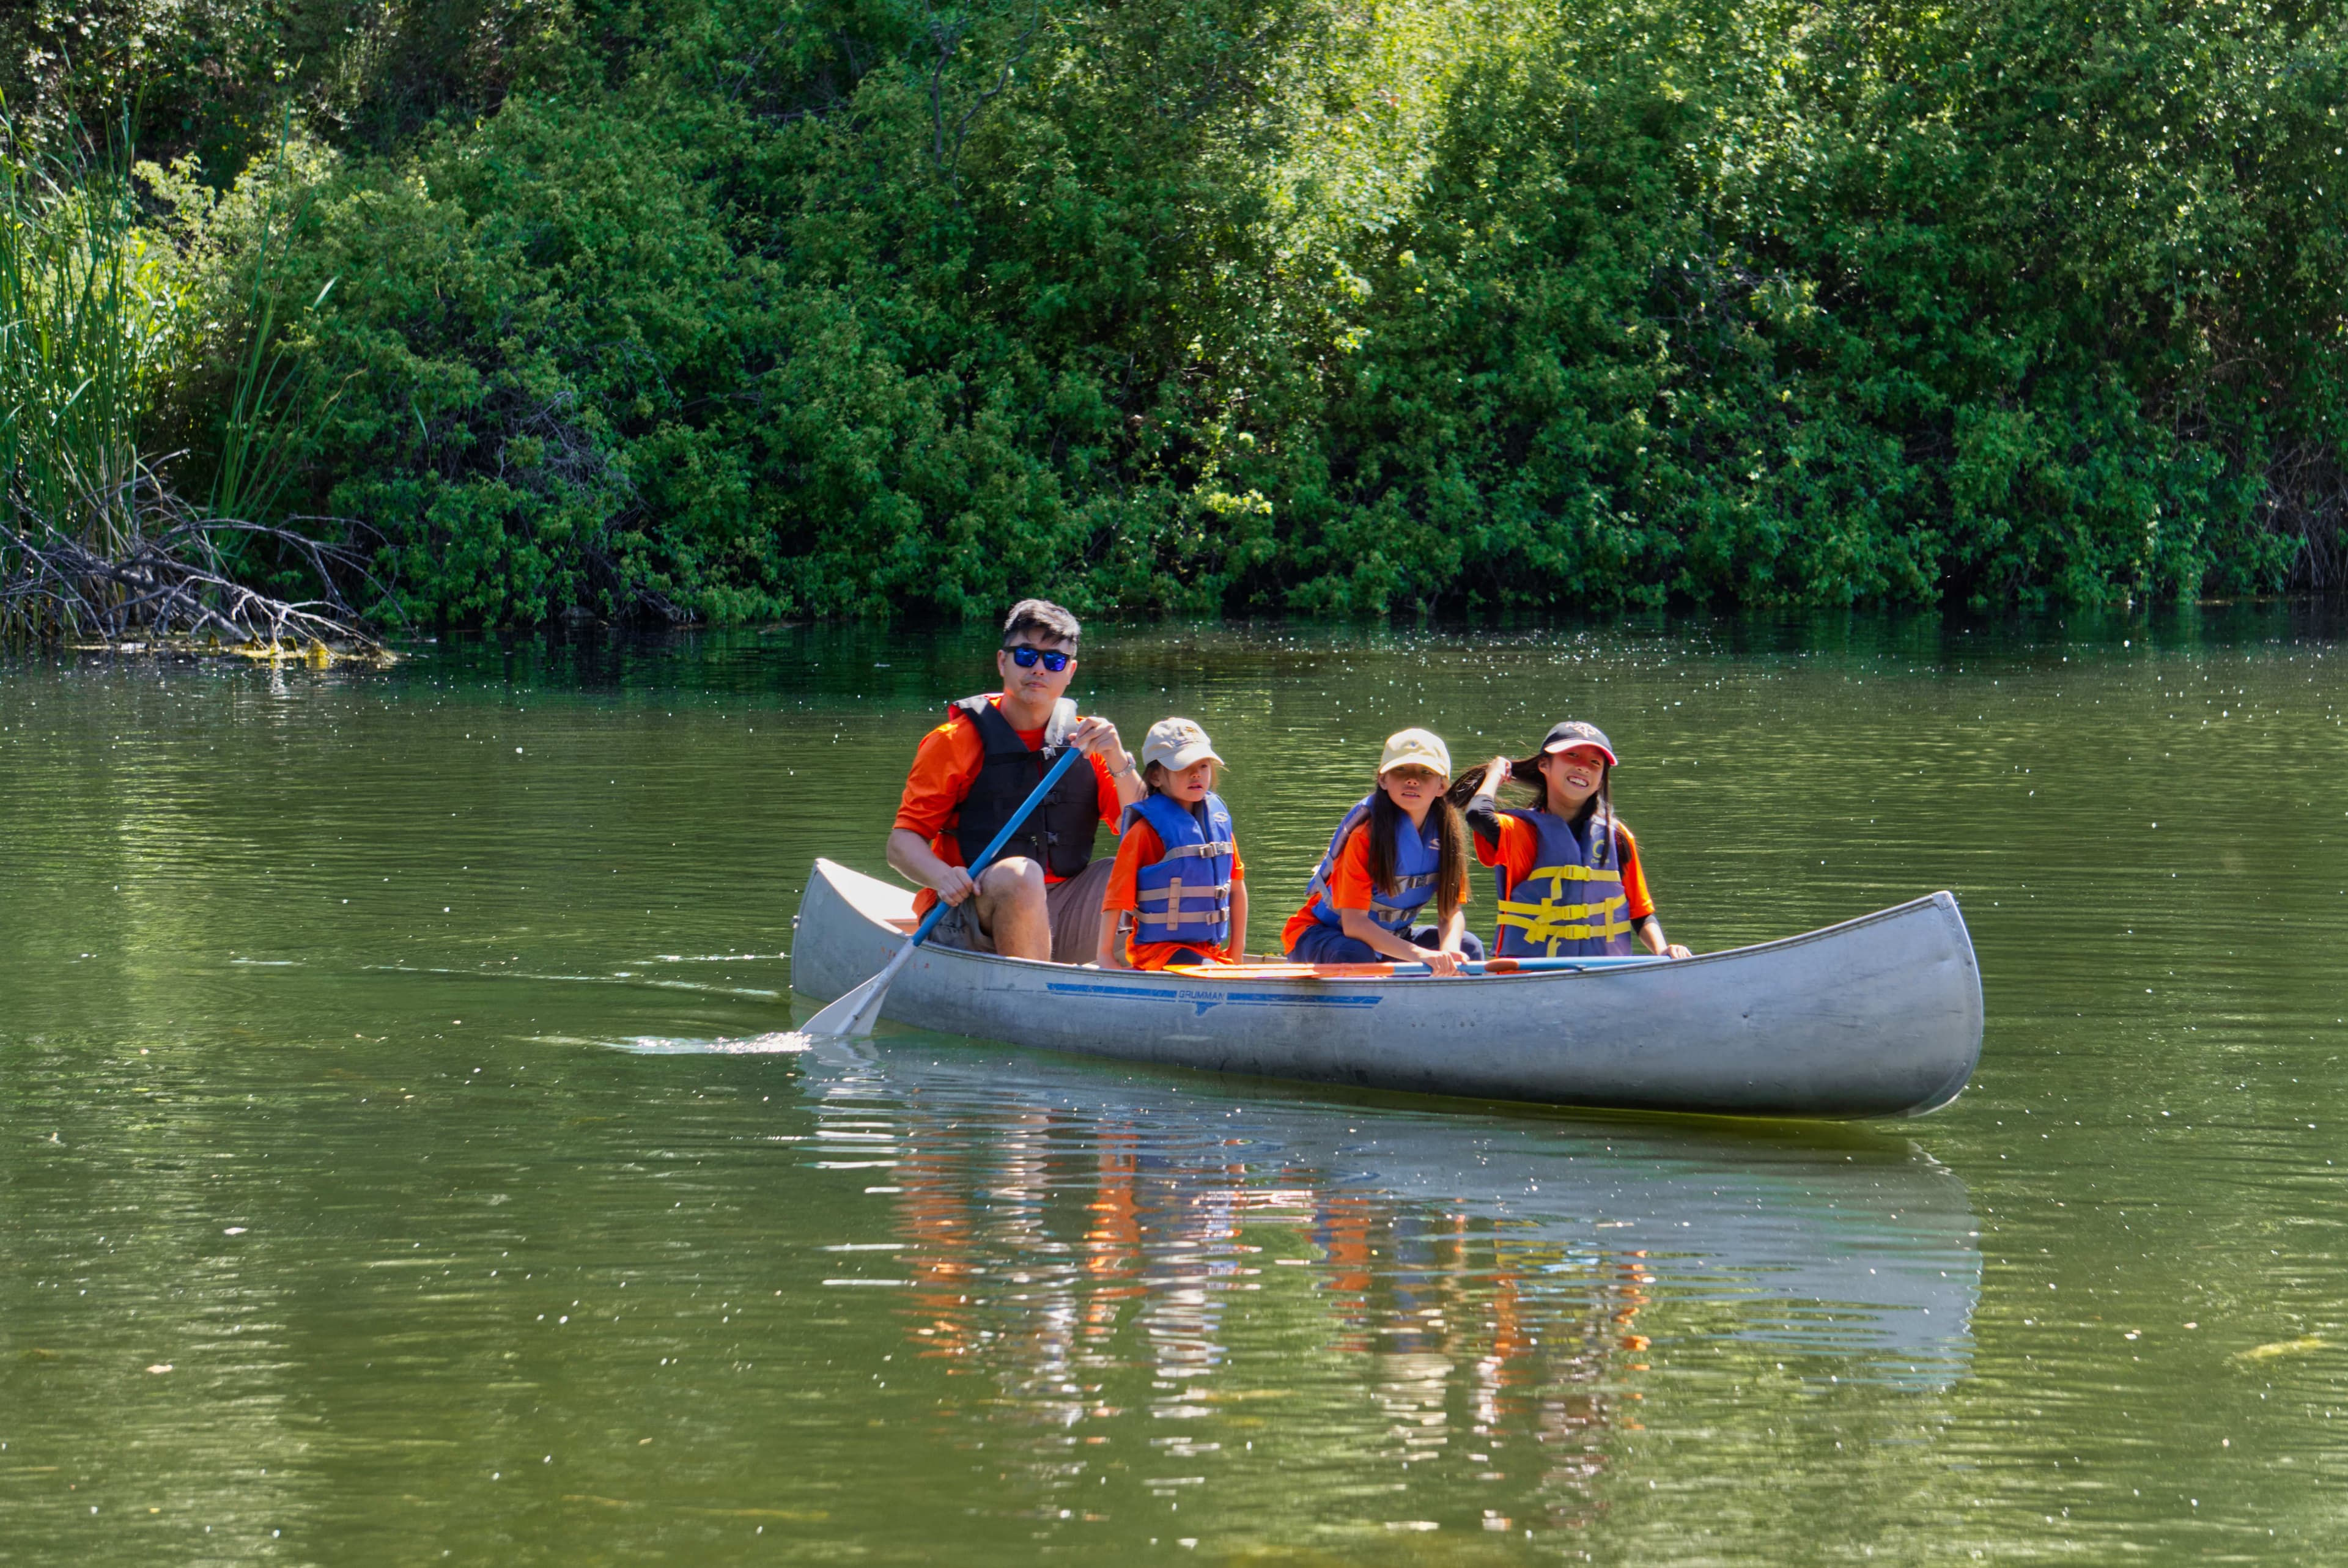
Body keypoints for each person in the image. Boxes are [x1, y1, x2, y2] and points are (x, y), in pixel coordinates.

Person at [887, 599, 1143, 962]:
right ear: (1002, 661)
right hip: (970, 914)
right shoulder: (952, 742)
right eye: (1026, 655)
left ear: (1069, 672)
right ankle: (1034, 995)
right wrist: (943, 877)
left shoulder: (1089, 742)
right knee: (1021, 875)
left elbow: (1145, 831)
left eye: (1053, 661)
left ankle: (1156, 976)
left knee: (1155, 861)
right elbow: (901, 843)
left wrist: (1119, 760)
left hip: (1063, 915)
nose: (1039, 669)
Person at [1457, 720, 1693, 960]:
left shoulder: (1617, 836)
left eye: (1595, 763)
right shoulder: (1521, 831)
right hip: (1533, 972)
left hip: (1605, 974)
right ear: (1544, 765)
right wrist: (1495, 774)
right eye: (1572, 755)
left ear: (1601, 779)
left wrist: (1664, 951)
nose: (1584, 767)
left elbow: (1641, 913)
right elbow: (1478, 815)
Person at [1280, 728, 1483, 974]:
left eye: (1425, 772)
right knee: (1355, 954)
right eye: (1401, 770)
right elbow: (1354, 925)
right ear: (1383, 780)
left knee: (1468, 947)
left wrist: (1448, 951)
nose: (1412, 780)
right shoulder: (1365, 835)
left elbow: (1451, 913)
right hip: (1325, 934)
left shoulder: (1446, 836)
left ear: (1441, 786)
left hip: (1391, 937)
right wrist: (1422, 955)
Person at [1096, 718, 1249, 970]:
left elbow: (1237, 889)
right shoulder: (1144, 832)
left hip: (1207, 951)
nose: (1197, 774)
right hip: (1158, 952)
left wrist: (1237, 950)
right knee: (1212, 970)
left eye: (1203, 765)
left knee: (1218, 968)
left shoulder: (1218, 825)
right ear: (1156, 777)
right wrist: (1105, 955)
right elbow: (1116, 898)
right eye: (1183, 767)